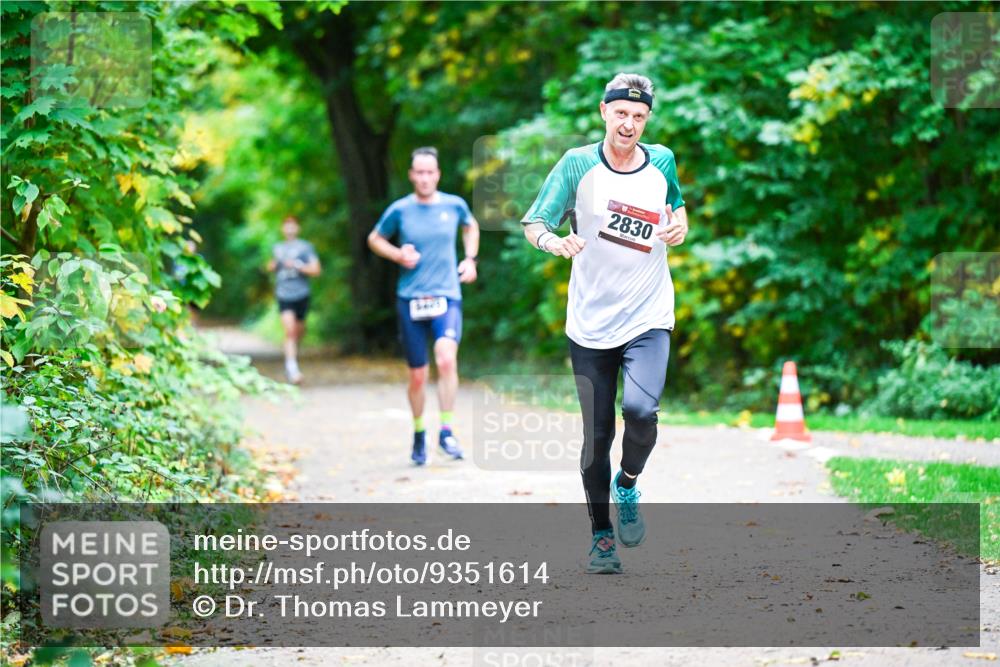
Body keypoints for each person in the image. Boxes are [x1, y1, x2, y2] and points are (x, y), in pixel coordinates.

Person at [520, 73, 689, 574]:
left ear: (647, 119)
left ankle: (629, 483)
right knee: (596, 437)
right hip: (591, 323)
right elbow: (535, 223)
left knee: (640, 410)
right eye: (621, 114)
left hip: (648, 313)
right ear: (603, 112)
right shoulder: (577, 164)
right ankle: (601, 539)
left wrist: (681, 224)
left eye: (639, 116)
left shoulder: (661, 160)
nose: (629, 124)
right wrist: (555, 243)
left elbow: (675, 207)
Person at [368, 147, 480, 466]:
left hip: (447, 295)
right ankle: (419, 432)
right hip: (410, 300)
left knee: (446, 358)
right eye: (419, 172)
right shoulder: (400, 210)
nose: (425, 178)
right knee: (417, 375)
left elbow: (471, 226)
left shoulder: (453, 205)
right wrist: (397, 254)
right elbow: (374, 239)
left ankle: (446, 430)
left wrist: (470, 260)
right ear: (411, 175)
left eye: (430, 172)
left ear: (438, 174)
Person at [268, 216, 321, 384]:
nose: (289, 229)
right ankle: (292, 368)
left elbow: (316, 270)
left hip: (302, 294)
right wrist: (275, 265)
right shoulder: (277, 248)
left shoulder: (305, 247)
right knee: (289, 331)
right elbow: (269, 267)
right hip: (284, 294)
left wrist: (298, 265)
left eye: (292, 226)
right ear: (282, 229)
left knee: (298, 332)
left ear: (298, 228)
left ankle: (293, 358)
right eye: (286, 226)